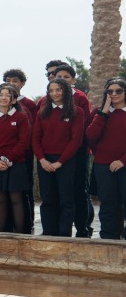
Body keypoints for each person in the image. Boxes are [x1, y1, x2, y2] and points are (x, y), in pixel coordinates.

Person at [33, 78, 85, 237]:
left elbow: (76, 140)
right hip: (45, 161)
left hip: (66, 161)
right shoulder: (42, 111)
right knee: (48, 199)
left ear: (66, 91)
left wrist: (60, 162)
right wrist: (42, 159)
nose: (54, 93)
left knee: (66, 200)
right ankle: (49, 232)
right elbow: (35, 138)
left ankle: (64, 234)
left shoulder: (77, 111)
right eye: (51, 90)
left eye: (58, 89)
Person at [0, 83, 32, 234]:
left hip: (15, 164)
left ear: (14, 100)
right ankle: (2, 233)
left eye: (7, 95)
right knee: (0, 199)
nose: (3, 98)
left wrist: (9, 158)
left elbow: (24, 141)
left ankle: (21, 234)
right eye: (0, 95)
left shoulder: (21, 117)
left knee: (16, 199)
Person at [54, 63, 94, 237]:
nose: (62, 80)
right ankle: (58, 229)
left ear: (73, 80)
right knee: (59, 193)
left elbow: (84, 128)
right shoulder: (47, 100)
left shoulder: (80, 98)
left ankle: (82, 228)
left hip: (78, 153)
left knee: (79, 191)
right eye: (59, 77)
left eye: (66, 77)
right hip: (54, 154)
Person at [88, 77, 126, 239]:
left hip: (124, 164)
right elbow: (90, 136)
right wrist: (103, 111)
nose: (114, 94)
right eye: (110, 91)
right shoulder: (99, 113)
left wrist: (122, 161)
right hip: (103, 165)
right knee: (109, 205)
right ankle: (109, 239)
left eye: (118, 91)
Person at [3, 68, 38, 234]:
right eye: (8, 80)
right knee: (5, 194)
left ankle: (26, 225)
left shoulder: (29, 105)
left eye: (15, 80)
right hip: (1, 158)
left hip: (23, 156)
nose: (12, 83)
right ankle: (7, 226)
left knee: (24, 192)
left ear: (22, 83)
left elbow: (31, 132)